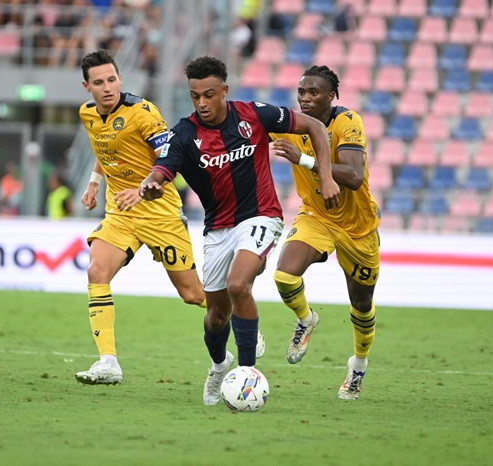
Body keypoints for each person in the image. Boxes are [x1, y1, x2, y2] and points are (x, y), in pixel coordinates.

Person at [138, 56, 341, 406]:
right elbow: (162, 168)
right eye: (195, 96)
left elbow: (315, 127)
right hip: (217, 228)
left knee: (238, 284)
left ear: (224, 91)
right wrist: (150, 184)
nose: (202, 103)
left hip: (261, 216)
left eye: (209, 95)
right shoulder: (184, 133)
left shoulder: (254, 114)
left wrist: (326, 177)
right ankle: (220, 365)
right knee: (216, 316)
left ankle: (248, 375)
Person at [74, 49, 208, 386]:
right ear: (87, 87)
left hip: (159, 211)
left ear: (120, 79)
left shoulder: (143, 112)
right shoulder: (87, 113)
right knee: (96, 271)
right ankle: (108, 362)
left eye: (112, 79)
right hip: (121, 212)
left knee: (193, 295)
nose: (107, 87)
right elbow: (104, 148)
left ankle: (243, 317)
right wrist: (94, 182)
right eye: (99, 83)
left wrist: (143, 188)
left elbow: (169, 156)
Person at [269, 65, 381, 401]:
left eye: (314, 92)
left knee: (361, 304)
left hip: (358, 227)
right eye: (301, 92)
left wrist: (303, 160)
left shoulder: (347, 122)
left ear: (331, 96)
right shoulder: (288, 123)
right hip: (316, 216)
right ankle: (306, 319)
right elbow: (243, 126)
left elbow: (354, 176)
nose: (305, 98)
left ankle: (358, 365)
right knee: (284, 275)